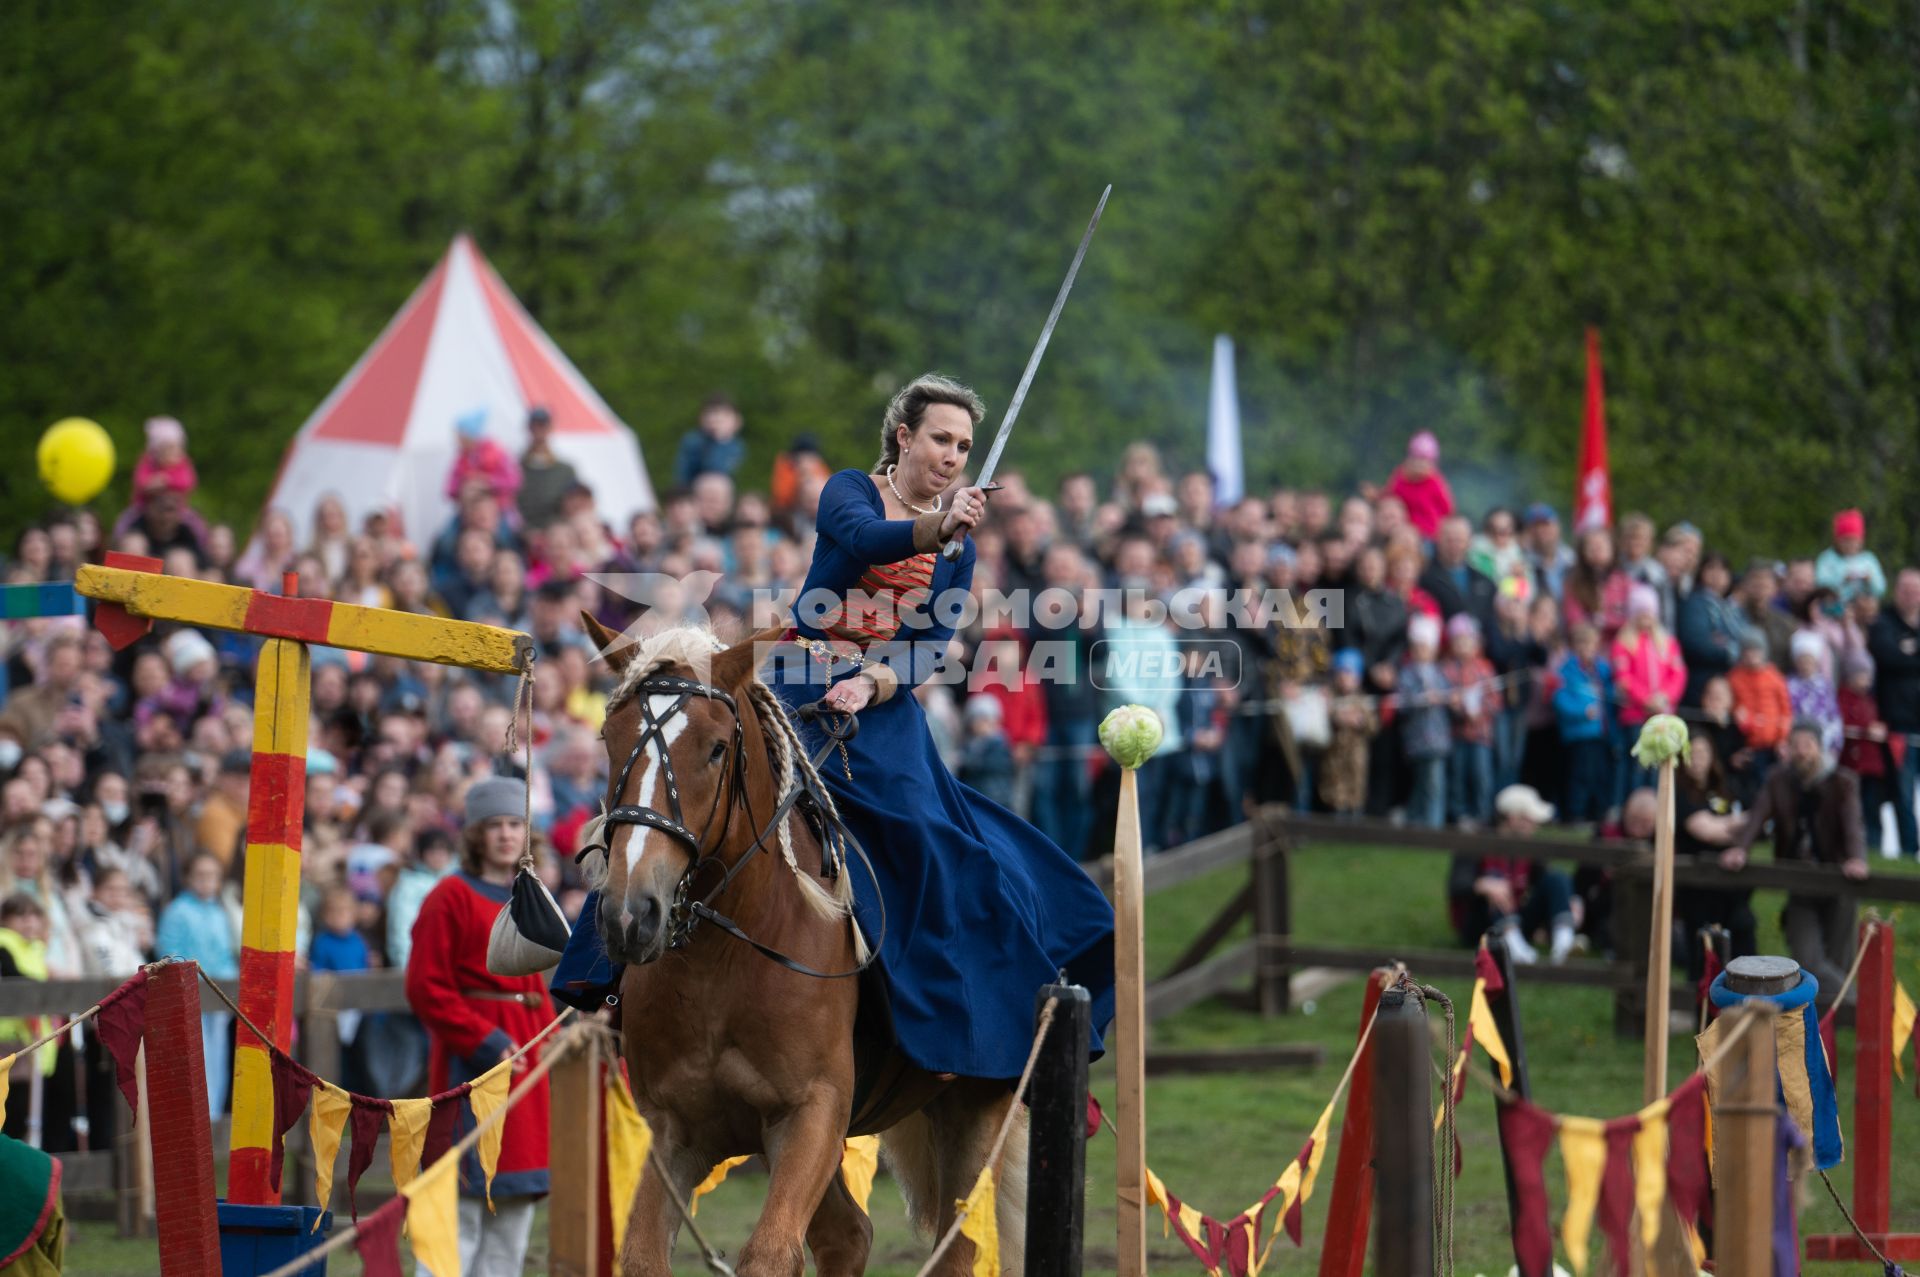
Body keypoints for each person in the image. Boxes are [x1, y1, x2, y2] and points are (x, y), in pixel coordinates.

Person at [743, 372, 1116, 1082]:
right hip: (795, 679)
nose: (952, 455)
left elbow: (926, 647)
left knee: (931, 836)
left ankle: (941, 1025)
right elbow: (866, 539)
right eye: (941, 438)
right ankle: (616, 976)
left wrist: (874, 680)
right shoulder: (847, 489)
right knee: (710, 792)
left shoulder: (961, 548)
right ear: (905, 436)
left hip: (878, 705)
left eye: (965, 446)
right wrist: (937, 524)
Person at [405, 777, 555, 1274]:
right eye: (495, 826)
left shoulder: (531, 895)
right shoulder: (449, 895)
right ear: (476, 835)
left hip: (528, 1062)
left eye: (515, 824)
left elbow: (540, 980)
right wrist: (484, 1040)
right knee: (463, 1205)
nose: (507, 835)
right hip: (472, 1068)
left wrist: (552, 1034)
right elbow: (426, 986)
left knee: (513, 1210)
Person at [1724, 721, 1870, 1005]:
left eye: (1807, 745)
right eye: (1795, 745)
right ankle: (1865, 1007)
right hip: (1799, 886)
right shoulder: (1778, 780)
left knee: (1840, 961)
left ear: (1819, 747)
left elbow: (1854, 825)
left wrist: (1856, 859)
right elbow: (1758, 815)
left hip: (1838, 884)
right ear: (1787, 748)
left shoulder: (1843, 782)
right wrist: (1740, 849)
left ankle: (1833, 1029)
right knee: (1807, 959)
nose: (1801, 752)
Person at [1446, 784, 1578, 964]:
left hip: (1516, 915)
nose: (1536, 826)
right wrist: (1484, 885)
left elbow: (1547, 879)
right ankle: (1515, 949)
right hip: (1479, 924)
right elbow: (1457, 885)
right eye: (1531, 819)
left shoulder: (1526, 845)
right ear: (1513, 818)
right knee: (1495, 881)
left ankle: (1564, 943)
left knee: (1558, 878)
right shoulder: (1476, 841)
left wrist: (1572, 900)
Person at [153, 852, 238, 1120]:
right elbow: (168, 950)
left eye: (212, 875)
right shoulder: (178, 911)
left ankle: (212, 1116)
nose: (206, 881)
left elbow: (224, 952)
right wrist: (192, 979)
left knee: (218, 1057)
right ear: (189, 878)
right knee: (196, 1058)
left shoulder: (218, 910)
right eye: (200, 875)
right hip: (191, 994)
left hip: (218, 992)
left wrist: (228, 979)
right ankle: (197, 1118)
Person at [1671, 729, 1755, 980]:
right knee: (1703, 951)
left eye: (1703, 752)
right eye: (1692, 753)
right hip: (1697, 887)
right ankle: (1702, 1009)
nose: (1698, 759)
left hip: (1731, 886)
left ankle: (1746, 1006)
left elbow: (1752, 823)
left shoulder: (1724, 789)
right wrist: (1738, 825)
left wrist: (1730, 825)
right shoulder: (1679, 793)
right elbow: (1706, 831)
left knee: (1742, 936)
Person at [1867, 568, 1920, 860]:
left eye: (1916, 590)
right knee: (1901, 791)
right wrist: (1907, 655)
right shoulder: (1883, 622)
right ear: (1896, 591)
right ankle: (1909, 851)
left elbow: (1902, 659)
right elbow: (1888, 656)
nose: (1911, 595)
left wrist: (1910, 652)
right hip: (1898, 724)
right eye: (1906, 589)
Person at [1552, 622, 1615, 824]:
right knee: (1580, 774)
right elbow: (1560, 700)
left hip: (1600, 732)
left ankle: (1596, 811)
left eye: (1592, 645)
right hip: (1579, 733)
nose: (1588, 650)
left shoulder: (1603, 670)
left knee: (1599, 774)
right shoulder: (1566, 671)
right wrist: (1582, 712)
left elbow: (1611, 695)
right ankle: (1575, 812)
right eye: (1583, 645)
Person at [1441, 613, 1498, 826]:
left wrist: (1481, 712)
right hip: (1457, 734)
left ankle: (1482, 813)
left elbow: (1495, 700)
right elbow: (1443, 697)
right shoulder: (1447, 669)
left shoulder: (1485, 668)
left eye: (1467, 641)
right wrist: (1453, 704)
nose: (1463, 646)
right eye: (1458, 641)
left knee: (1481, 775)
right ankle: (1459, 813)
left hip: (1481, 734)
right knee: (1458, 774)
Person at [1397, 614, 1453, 828]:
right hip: (1417, 739)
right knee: (1421, 782)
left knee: (1435, 782)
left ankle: (1433, 823)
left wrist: (1450, 699)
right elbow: (1402, 703)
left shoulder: (1440, 673)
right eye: (1418, 647)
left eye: (1426, 647)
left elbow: (1448, 696)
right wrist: (1421, 699)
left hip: (1438, 738)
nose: (1422, 652)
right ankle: (1418, 819)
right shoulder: (1407, 674)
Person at [1837, 650, 1895, 849]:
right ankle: (1853, 846)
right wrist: (1865, 731)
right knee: (1853, 808)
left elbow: (1877, 724)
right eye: (1861, 675)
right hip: (1852, 764)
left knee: (1872, 809)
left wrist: (1880, 731)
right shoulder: (1843, 698)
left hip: (1872, 765)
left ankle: (1874, 846)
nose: (1866, 681)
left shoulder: (1870, 700)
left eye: (1868, 676)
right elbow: (1843, 727)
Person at [1676, 551, 1748, 706]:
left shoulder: (1734, 609)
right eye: (1711, 568)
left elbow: (1748, 642)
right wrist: (1729, 650)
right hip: (1701, 685)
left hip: (1731, 684)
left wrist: (1725, 643)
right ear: (1701, 572)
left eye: (1723, 569)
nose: (1717, 574)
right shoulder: (1693, 603)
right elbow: (1696, 642)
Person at [1320, 649, 1378, 817]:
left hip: (1356, 761)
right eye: (1341, 674)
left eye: (1349, 674)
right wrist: (1336, 717)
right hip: (1334, 761)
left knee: (1356, 797)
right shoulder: (1330, 698)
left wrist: (1360, 721)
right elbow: (1322, 720)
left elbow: (1373, 726)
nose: (1345, 679)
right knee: (1335, 797)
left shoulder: (1363, 700)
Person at [1375, 431, 1454, 539]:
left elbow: (1447, 509)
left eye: (1424, 461)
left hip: (1428, 533)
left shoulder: (1435, 482)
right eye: (1415, 460)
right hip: (1402, 531)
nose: (1419, 465)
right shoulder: (1400, 477)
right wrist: (1377, 496)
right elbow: (1389, 496)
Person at [515, 407, 578, 531]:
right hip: (521, 536)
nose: (538, 431)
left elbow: (572, 507)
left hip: (556, 534)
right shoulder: (514, 468)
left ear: (550, 429)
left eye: (542, 426)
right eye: (534, 426)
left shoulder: (565, 471)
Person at [672, 395, 746, 490]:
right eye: (711, 415)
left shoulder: (738, 446)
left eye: (723, 417)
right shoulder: (694, 441)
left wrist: (721, 441)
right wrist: (718, 441)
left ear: (737, 422)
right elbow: (710, 468)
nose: (715, 421)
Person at [1815, 509, 1886, 606]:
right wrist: (1842, 580)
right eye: (1846, 540)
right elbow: (1821, 586)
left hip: (1862, 606)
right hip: (1835, 606)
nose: (1850, 545)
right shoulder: (1827, 559)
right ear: (1837, 541)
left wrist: (1869, 581)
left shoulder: (1868, 559)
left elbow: (1880, 589)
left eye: (1854, 540)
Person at [1787, 630, 1842, 757]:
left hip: (1823, 742)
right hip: (1797, 742)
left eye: (1809, 660)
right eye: (1802, 661)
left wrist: (1835, 743)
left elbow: (1833, 715)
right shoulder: (1789, 684)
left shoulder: (1824, 685)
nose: (1805, 665)